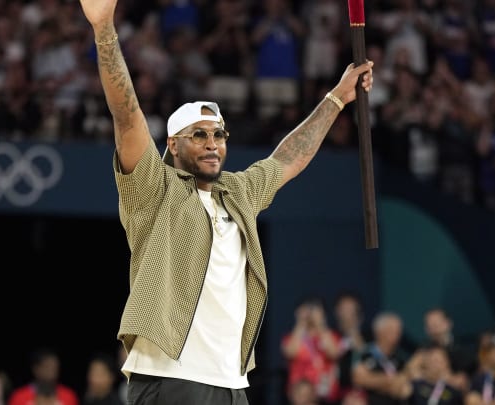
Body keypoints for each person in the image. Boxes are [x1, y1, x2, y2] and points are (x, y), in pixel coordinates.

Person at [78, 1, 374, 404]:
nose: (212, 144)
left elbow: (288, 157)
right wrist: (104, 30)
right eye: (198, 135)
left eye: (218, 135)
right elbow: (127, 117)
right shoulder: (154, 187)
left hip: (233, 381)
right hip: (170, 377)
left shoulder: (238, 192)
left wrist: (337, 98)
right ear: (173, 145)